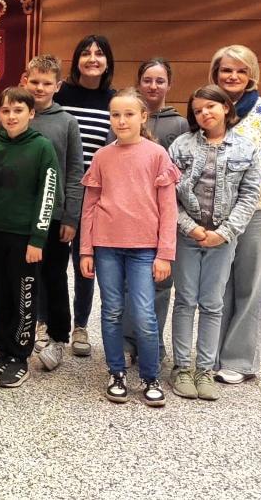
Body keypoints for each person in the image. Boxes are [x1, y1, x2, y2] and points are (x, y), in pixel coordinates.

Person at [79, 88, 179, 407]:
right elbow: (90, 206)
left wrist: (165, 253)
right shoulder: (102, 156)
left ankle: (150, 377)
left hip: (144, 249)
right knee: (111, 311)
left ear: (143, 117)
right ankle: (117, 372)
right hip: (107, 246)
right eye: (115, 115)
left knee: (145, 314)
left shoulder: (156, 155)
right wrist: (86, 250)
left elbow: (168, 209)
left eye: (128, 114)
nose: (121, 121)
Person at [168, 85, 260, 401]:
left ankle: (204, 369)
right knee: (185, 300)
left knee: (212, 303)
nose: (204, 113)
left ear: (225, 107)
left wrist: (225, 232)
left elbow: (249, 196)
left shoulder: (246, 149)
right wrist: (191, 228)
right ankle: (181, 367)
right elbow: (168, 195)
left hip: (223, 239)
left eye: (211, 106)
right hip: (187, 237)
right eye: (197, 110)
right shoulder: (180, 146)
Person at [0, 87, 59, 388]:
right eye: (6, 111)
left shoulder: (42, 148)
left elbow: (48, 196)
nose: (11, 116)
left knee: (23, 297)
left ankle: (19, 356)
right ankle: (2, 348)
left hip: (24, 238)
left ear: (31, 113)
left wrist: (38, 238)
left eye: (18, 110)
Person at [208, 45, 261, 385]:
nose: (233, 76)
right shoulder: (210, 108)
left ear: (251, 74)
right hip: (219, 213)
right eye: (226, 70)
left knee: (249, 286)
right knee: (218, 284)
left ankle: (239, 359)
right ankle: (212, 352)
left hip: (258, 211)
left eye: (240, 70)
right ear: (216, 73)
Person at [121, 58, 189, 362]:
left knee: (160, 282)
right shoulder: (126, 117)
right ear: (139, 82)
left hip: (161, 215)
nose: (153, 86)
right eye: (147, 80)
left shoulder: (179, 124)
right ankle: (127, 341)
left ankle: (153, 340)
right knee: (125, 283)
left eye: (160, 80)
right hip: (127, 216)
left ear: (169, 85)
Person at [54, 34, 116, 357]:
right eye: (86, 53)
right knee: (51, 261)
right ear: (76, 59)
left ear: (108, 62)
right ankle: (47, 321)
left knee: (84, 263)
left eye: (99, 54)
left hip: (95, 197)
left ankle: (80, 325)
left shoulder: (114, 101)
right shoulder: (60, 93)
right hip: (57, 192)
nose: (93, 58)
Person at [22, 55, 83, 371]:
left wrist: (71, 216)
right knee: (22, 277)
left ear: (58, 86)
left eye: (47, 83)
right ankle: (23, 332)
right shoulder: (17, 116)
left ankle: (58, 336)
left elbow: (74, 171)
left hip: (56, 216)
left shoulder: (67, 122)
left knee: (54, 277)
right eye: (35, 81)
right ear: (25, 80)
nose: (40, 88)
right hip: (19, 217)